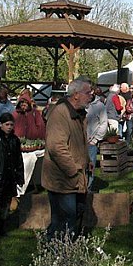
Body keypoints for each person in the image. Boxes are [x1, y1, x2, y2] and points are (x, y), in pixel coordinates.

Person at [41, 78, 92, 240]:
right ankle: (56, 254)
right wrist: (73, 171)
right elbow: (56, 147)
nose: (91, 96)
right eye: (88, 92)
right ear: (76, 95)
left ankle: (62, 252)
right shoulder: (60, 113)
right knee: (63, 219)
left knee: (71, 216)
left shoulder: (79, 114)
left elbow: (79, 143)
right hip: (62, 179)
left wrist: (88, 161)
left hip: (74, 177)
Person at [86, 87, 108, 191]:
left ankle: (89, 188)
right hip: (78, 142)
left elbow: (104, 123)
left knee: (91, 167)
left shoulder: (99, 106)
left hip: (91, 142)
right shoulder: (80, 104)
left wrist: (96, 139)